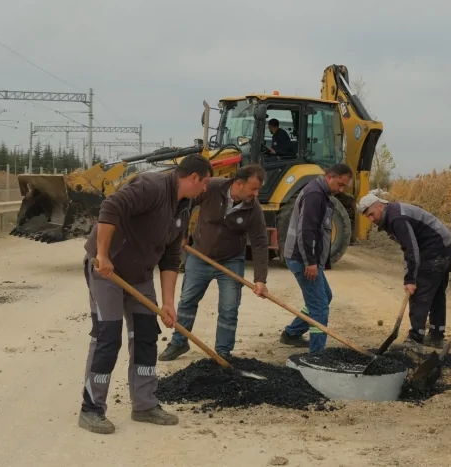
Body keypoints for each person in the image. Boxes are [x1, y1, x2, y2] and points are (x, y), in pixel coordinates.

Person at [78, 154, 213, 434]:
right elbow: (110, 207)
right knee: (108, 336)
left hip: (139, 276)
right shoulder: (151, 187)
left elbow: (171, 258)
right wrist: (103, 254)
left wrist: (167, 303)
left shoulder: (183, 207)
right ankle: (91, 409)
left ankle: (145, 404)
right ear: (193, 178)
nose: (205, 189)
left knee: (145, 336)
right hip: (108, 271)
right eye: (205, 182)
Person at [159, 164, 271, 361]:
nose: (256, 193)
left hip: (231, 261)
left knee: (229, 308)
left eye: (258, 189)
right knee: (187, 301)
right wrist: (182, 235)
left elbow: (261, 243)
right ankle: (178, 342)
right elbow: (186, 204)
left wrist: (260, 279)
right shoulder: (212, 188)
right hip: (200, 256)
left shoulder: (253, 209)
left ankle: (223, 352)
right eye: (253, 188)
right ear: (238, 184)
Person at [356, 193, 451, 349]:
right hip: (446, 247)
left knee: (420, 292)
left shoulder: (396, 218)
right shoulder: (394, 213)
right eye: (367, 216)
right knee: (436, 292)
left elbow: (411, 249)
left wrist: (410, 279)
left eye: (371, 214)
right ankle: (436, 336)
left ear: (380, 206)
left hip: (436, 249)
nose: (371, 219)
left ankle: (415, 339)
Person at [279, 163, 354, 354]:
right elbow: (306, 231)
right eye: (340, 184)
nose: (341, 189)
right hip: (302, 259)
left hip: (305, 258)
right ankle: (316, 355)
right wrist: (310, 262)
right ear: (329, 177)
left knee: (324, 297)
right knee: (320, 308)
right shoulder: (315, 195)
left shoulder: (321, 193)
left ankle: (292, 333)